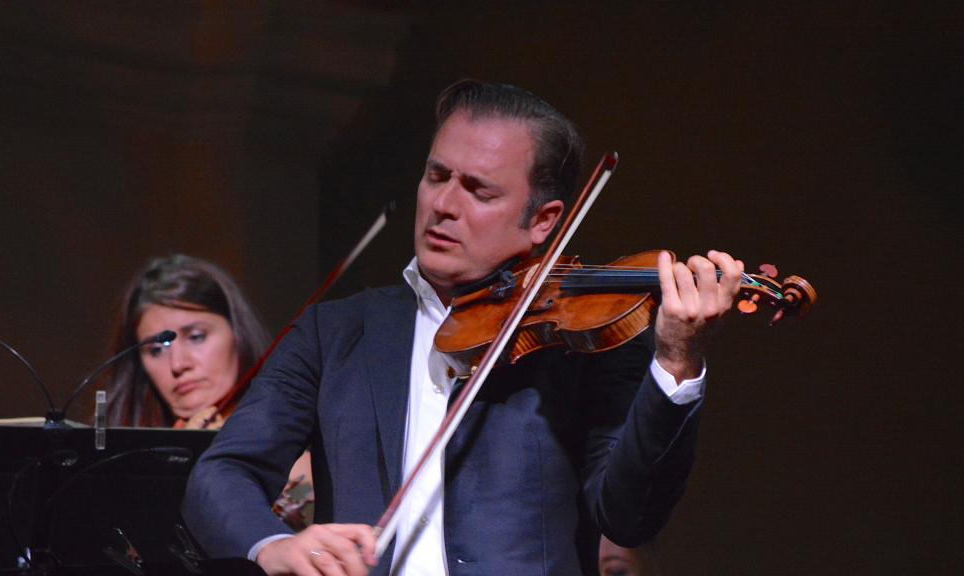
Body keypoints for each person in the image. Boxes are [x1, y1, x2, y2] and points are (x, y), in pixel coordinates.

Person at [183, 79, 744, 575]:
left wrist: (675, 362)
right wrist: (273, 544)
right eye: (437, 175)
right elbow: (222, 474)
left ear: (544, 222)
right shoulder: (336, 332)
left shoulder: (583, 341)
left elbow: (628, 516)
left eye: (479, 190)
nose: (444, 205)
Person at [105, 254, 270, 428]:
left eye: (196, 337)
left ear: (237, 332)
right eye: (156, 350)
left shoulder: (287, 438)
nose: (177, 364)